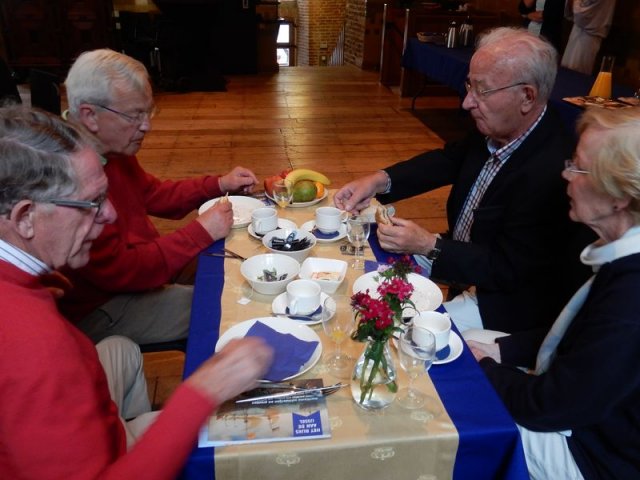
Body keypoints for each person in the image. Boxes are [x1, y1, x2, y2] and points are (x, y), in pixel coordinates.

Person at [0, 106, 272, 478]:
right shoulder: (36, 346)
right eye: (91, 203)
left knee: (123, 351)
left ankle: (132, 437)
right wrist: (205, 390)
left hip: (79, 426)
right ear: (25, 218)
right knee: (257, 440)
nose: (110, 215)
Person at [334, 27, 593, 334]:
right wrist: (378, 180)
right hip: (464, 258)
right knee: (362, 260)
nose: (467, 102)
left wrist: (429, 245)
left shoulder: (552, 171)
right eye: (470, 84)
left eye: (482, 91)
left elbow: (506, 270)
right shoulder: (503, 127)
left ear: (527, 97)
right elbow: (448, 160)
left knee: (393, 329)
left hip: (503, 299)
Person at [466, 107, 640, 480]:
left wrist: (483, 369)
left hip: (594, 456)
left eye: (577, 168)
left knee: (456, 406)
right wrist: (502, 352)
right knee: (462, 343)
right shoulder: (623, 254)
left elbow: (554, 405)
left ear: (618, 198)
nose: (564, 175)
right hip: (580, 411)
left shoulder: (631, 296)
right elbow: (579, 344)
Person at [58, 48, 260, 345]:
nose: (146, 126)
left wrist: (217, 184)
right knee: (226, 303)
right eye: (134, 115)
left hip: (137, 270)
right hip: (99, 307)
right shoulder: (66, 178)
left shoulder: (109, 147)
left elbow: (152, 194)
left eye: (148, 112)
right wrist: (199, 232)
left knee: (234, 263)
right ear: (90, 115)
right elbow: (123, 271)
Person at [561, 0, 617, 75]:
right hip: (579, 31)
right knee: (567, 72)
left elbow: (583, 13)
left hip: (589, 35)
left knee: (575, 74)